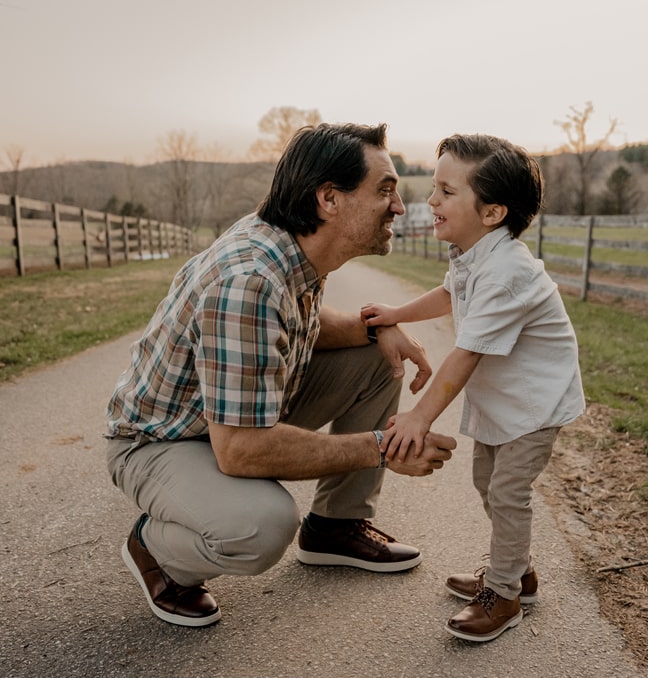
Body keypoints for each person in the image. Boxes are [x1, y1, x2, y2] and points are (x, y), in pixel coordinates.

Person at [105, 122, 456, 628]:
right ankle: (156, 550)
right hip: (162, 442)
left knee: (378, 357)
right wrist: (383, 446)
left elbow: (306, 325)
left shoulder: (293, 246)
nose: (399, 207)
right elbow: (243, 448)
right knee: (262, 525)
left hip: (226, 418)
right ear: (329, 199)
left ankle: (335, 528)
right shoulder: (249, 281)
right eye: (385, 191)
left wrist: (378, 327)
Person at [361, 133, 585, 643]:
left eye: (445, 191)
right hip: (504, 402)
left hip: (534, 404)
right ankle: (518, 572)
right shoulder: (473, 254)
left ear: (492, 213)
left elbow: (465, 355)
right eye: (434, 189)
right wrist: (397, 313)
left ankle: (504, 594)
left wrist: (420, 416)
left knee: (507, 491)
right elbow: (449, 293)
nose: (430, 201)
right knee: (487, 481)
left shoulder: (507, 272)